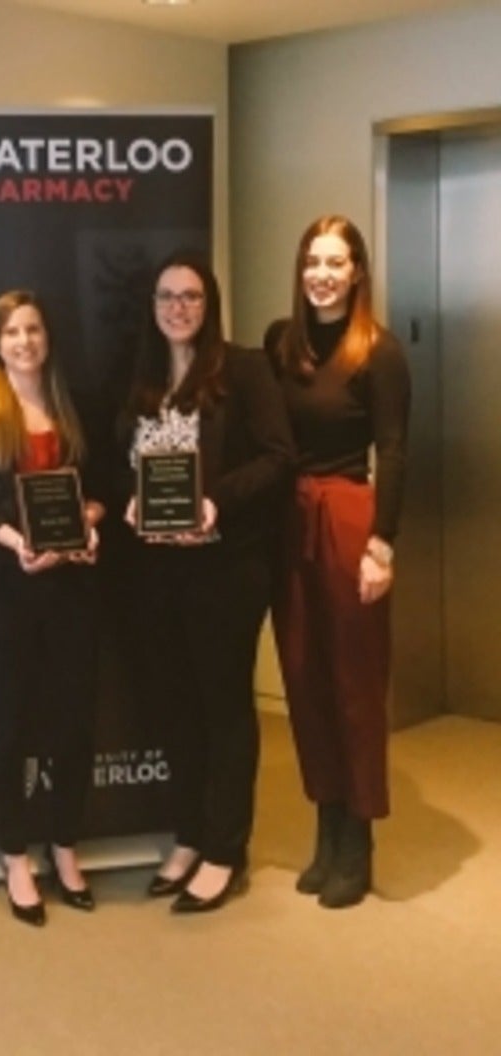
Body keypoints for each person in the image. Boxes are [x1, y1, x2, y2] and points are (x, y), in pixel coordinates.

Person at [122, 250, 293, 914]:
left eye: (191, 296)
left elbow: (279, 458)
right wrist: (130, 501)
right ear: (152, 306)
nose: (178, 308)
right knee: (175, 708)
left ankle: (225, 849)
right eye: (167, 296)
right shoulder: (142, 376)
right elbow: (119, 461)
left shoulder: (243, 369)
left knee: (224, 709)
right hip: (156, 574)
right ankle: (190, 835)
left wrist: (214, 501)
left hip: (226, 569)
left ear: (210, 303)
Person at [265, 216, 410, 909]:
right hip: (289, 521)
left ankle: (359, 841)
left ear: (357, 273)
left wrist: (383, 544)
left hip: (350, 518)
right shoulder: (280, 344)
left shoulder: (378, 351)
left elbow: (396, 449)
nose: (322, 274)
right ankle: (326, 828)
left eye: (335, 262)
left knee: (355, 680)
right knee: (303, 676)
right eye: (312, 262)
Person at [0, 290, 104, 927]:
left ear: (47, 338)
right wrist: (19, 544)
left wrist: (88, 525)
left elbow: (97, 490)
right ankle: (15, 856)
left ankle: (63, 846)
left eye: (33, 329)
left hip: (70, 588)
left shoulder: (72, 406)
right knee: (6, 729)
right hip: (0, 590)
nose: (24, 342)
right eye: (12, 332)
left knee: (74, 724)